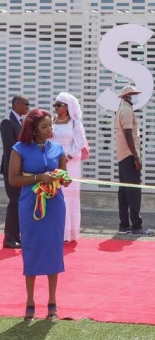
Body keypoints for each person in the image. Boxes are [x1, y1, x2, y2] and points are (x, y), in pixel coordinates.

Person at [6, 109, 70, 320]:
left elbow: (63, 177)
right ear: (32, 129)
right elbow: (13, 179)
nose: (50, 129)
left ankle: (52, 301)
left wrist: (64, 179)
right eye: (44, 126)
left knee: (53, 250)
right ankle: (30, 301)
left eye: (50, 125)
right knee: (31, 249)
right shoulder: (19, 149)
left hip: (55, 206)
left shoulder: (58, 148)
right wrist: (38, 177)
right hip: (30, 206)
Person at [114, 85, 154, 237]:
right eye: (134, 94)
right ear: (127, 96)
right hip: (129, 156)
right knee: (133, 192)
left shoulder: (122, 109)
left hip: (123, 156)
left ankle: (124, 225)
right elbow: (128, 135)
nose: (136, 96)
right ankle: (136, 226)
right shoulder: (127, 111)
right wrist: (136, 156)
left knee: (124, 192)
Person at [51, 92, 89, 243]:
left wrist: (68, 157)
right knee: (55, 194)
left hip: (70, 163)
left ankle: (68, 233)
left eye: (59, 105)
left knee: (68, 196)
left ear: (67, 107)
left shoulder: (75, 122)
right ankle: (55, 230)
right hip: (53, 160)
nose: (56, 108)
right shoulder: (52, 120)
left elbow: (80, 142)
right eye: (55, 105)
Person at [2, 94, 29, 249]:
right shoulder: (7, 121)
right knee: (14, 203)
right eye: (26, 104)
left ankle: (16, 236)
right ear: (17, 104)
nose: (28, 107)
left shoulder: (21, 121)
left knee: (20, 203)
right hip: (11, 170)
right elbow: (8, 148)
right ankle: (9, 238)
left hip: (20, 169)